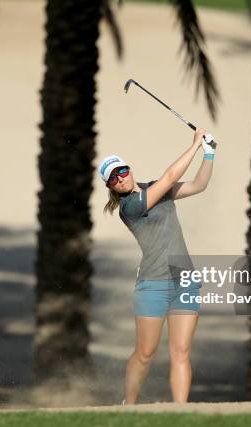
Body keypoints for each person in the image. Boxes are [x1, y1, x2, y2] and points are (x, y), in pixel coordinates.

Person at [97, 127, 216, 404]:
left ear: (129, 170)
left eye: (122, 171)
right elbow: (171, 176)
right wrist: (196, 144)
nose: (120, 178)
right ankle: (129, 403)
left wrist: (208, 155)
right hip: (153, 285)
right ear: (110, 187)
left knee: (181, 352)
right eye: (113, 178)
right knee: (145, 353)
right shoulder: (130, 207)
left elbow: (198, 185)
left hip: (185, 281)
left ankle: (180, 412)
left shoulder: (155, 190)